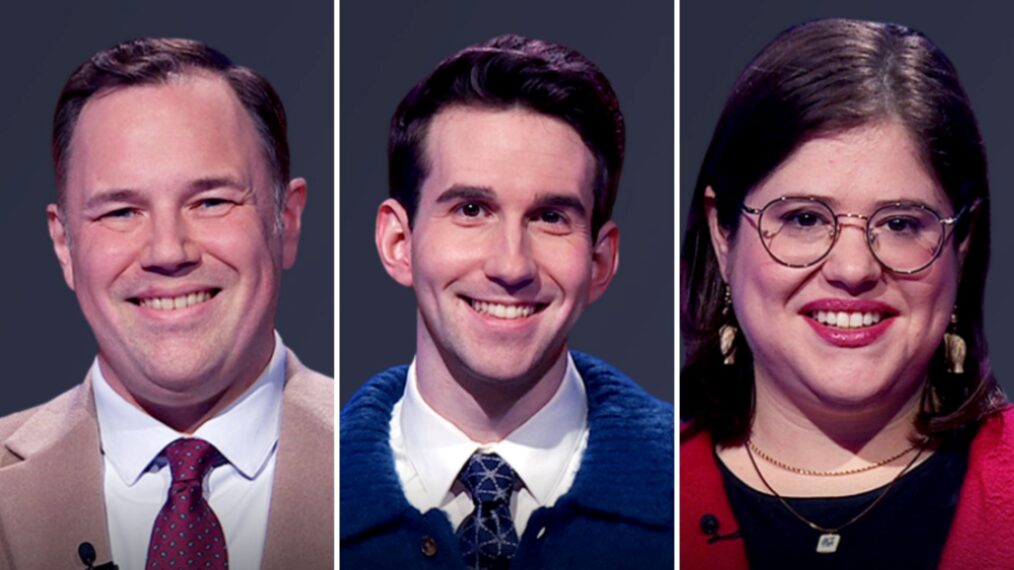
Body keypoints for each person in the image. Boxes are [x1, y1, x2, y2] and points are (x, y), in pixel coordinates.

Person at [680, 18, 1014, 569]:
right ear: (723, 234)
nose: (854, 268)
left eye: (903, 224)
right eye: (805, 218)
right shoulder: (643, 502)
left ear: (962, 243)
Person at [340, 34, 674, 569]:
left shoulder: (687, 490)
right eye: (472, 210)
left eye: (550, 217)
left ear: (600, 261)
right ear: (398, 244)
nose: (511, 265)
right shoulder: (308, 505)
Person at [0, 38, 332, 569]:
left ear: (286, 221)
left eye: (211, 202)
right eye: (121, 212)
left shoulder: (387, 464)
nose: (168, 252)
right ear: (64, 245)